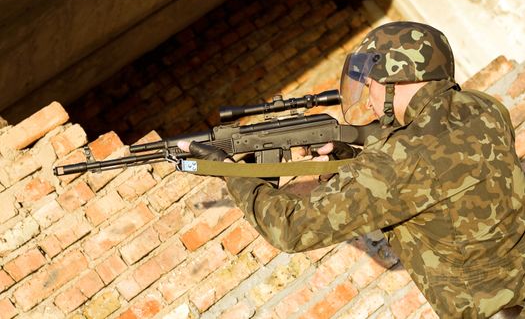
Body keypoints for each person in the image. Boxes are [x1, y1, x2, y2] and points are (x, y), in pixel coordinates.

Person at [179, 21, 525, 318]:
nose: (370, 96)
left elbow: (291, 228)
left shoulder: (398, 159)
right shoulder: (483, 109)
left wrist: (229, 170)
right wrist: (344, 156)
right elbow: (435, 180)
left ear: (395, 77)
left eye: (371, 83)